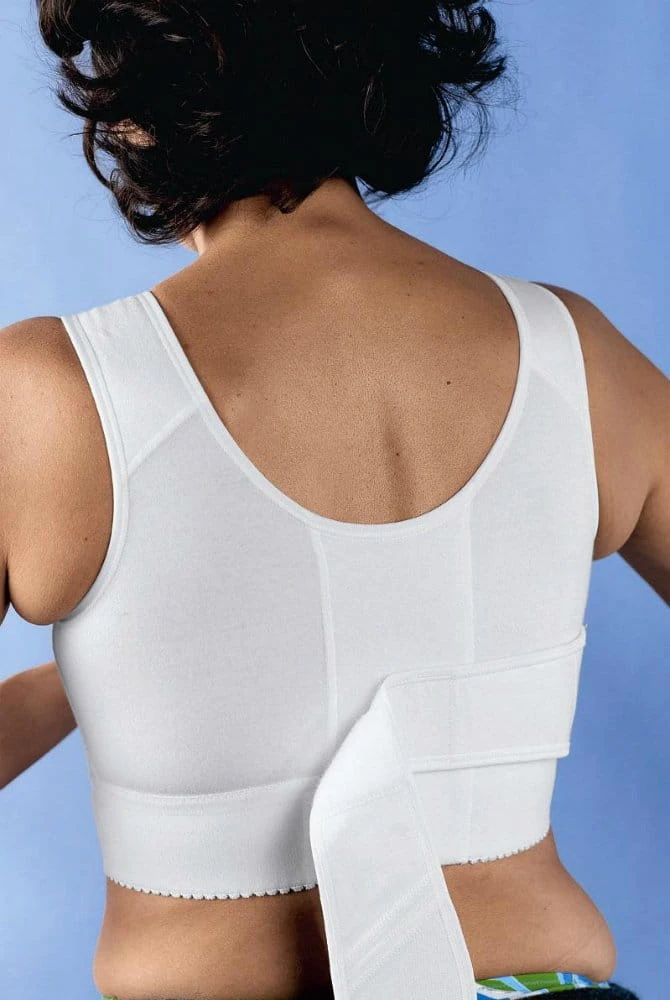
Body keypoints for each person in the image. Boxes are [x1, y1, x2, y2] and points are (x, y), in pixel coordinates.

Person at [0, 1, 666, 998]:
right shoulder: (576, 357)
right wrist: (107, 676)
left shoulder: (50, 391)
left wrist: (102, 686)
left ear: (138, 95)